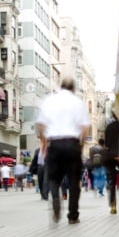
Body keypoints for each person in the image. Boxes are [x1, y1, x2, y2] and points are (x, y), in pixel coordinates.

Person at [36, 77, 91, 224]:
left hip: (54, 143)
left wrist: (44, 142)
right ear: (73, 89)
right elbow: (85, 128)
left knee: (54, 178)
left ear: (60, 87)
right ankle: (73, 216)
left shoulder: (49, 101)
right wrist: (81, 145)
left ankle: (56, 200)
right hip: (72, 143)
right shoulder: (78, 102)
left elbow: (41, 125)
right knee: (74, 181)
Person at [105, 116, 119, 214]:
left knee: (111, 182)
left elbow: (107, 144)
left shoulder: (109, 126)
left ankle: (113, 205)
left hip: (110, 156)